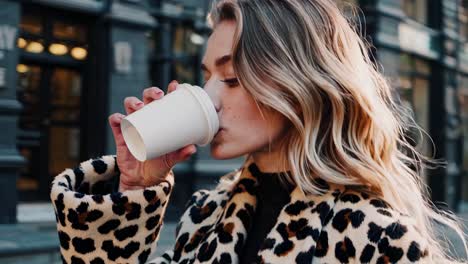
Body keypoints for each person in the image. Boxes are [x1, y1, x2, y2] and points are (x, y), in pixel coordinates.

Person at [50, 0, 467, 263]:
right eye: (208, 76)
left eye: (231, 79)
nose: (211, 97)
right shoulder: (205, 217)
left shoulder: (376, 237)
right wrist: (135, 187)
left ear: (298, 84)